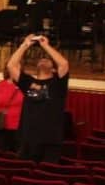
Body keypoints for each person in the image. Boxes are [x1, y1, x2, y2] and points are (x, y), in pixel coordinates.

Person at [7, 34, 70, 163]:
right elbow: (11, 66)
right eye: (41, 59)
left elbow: (64, 64)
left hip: (50, 140)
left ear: (53, 69)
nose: (43, 59)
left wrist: (45, 45)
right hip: (28, 138)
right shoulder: (28, 82)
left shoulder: (58, 83)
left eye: (47, 60)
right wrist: (25, 45)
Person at [0, 65, 24, 152]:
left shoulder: (25, 87)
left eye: (18, 67)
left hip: (17, 130)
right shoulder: (0, 86)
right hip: (0, 127)